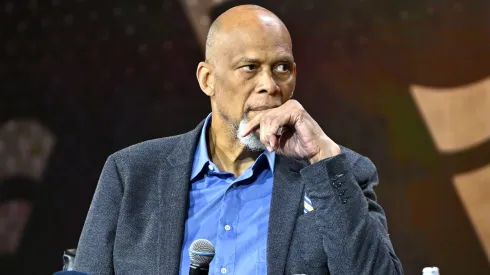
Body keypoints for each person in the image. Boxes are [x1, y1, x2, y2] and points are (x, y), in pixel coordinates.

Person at [74, 5, 403, 275]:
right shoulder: (132, 174)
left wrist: (323, 160)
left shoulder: (338, 173)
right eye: (250, 68)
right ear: (207, 80)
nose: (270, 85)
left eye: (282, 68)